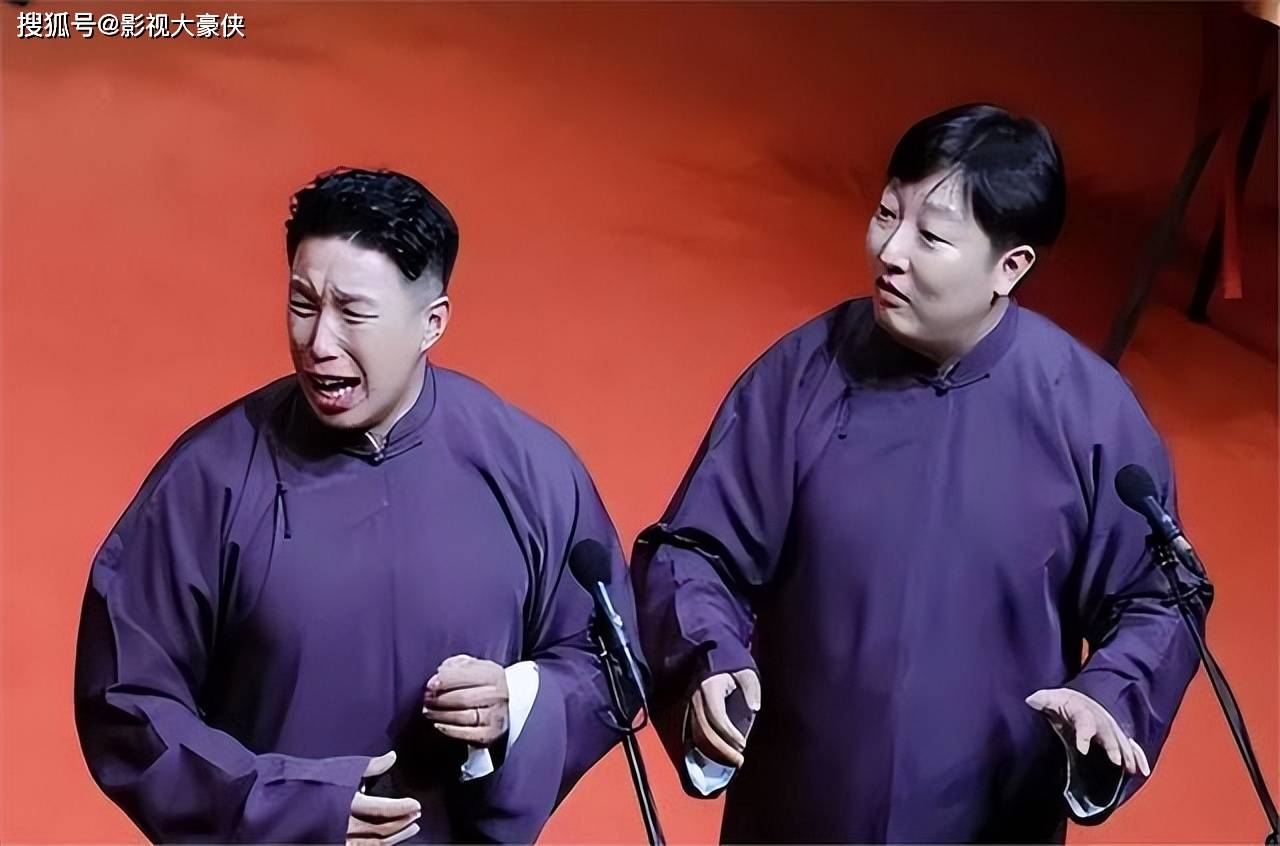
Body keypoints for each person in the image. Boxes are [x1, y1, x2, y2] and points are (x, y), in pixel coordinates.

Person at [630, 104, 1213, 842]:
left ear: (1010, 267)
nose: (890, 251)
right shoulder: (805, 373)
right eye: (886, 214)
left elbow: (1160, 595)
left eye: (931, 237)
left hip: (991, 815)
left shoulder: (1088, 413)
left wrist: (1110, 693)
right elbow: (695, 549)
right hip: (802, 805)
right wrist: (708, 656)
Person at [75, 167, 635, 843]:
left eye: (354, 313)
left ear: (431, 323)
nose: (319, 343)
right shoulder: (210, 477)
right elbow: (127, 698)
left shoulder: (528, 469)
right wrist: (287, 810)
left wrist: (517, 707)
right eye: (303, 304)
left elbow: (608, 661)